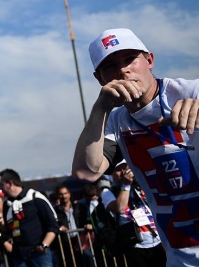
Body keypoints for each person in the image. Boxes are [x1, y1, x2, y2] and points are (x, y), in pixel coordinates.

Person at [72, 28, 199, 267]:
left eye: (130, 59)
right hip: (180, 258)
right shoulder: (115, 121)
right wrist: (100, 108)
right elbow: (86, 171)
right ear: (100, 79)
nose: (123, 70)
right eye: (110, 66)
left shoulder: (190, 92)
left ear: (149, 60)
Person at [101, 161, 164, 267]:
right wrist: (126, 184)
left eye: (126, 169)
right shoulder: (107, 192)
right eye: (119, 170)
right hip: (135, 244)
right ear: (112, 174)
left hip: (157, 241)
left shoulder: (140, 186)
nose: (123, 172)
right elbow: (120, 208)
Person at [0, 169, 59, 267]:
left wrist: (44, 245)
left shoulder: (35, 197)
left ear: (10, 183)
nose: (0, 189)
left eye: (1, 185)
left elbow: (53, 224)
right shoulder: (7, 205)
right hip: (19, 255)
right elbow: (8, 228)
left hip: (39, 253)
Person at [54, 185, 86, 267]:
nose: (64, 196)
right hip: (65, 241)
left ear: (69, 194)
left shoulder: (79, 207)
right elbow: (53, 224)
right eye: (61, 194)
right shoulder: (55, 211)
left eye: (65, 193)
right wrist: (60, 228)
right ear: (58, 196)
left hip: (81, 239)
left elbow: (86, 219)